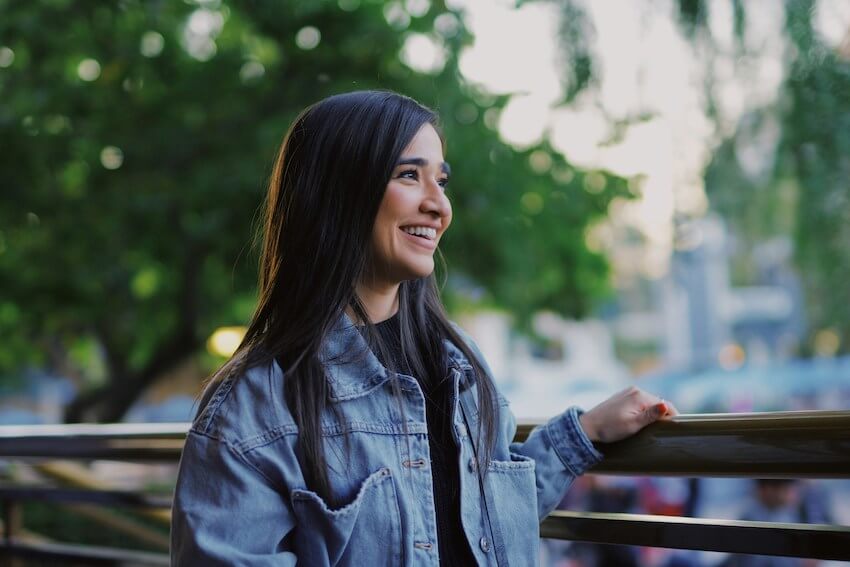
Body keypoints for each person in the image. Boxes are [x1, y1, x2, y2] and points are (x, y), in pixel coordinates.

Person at [170, 90, 678, 566]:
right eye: (409, 176)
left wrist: (580, 436)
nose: (438, 205)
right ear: (337, 194)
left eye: (442, 180)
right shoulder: (257, 403)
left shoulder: (460, 364)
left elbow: (477, 523)